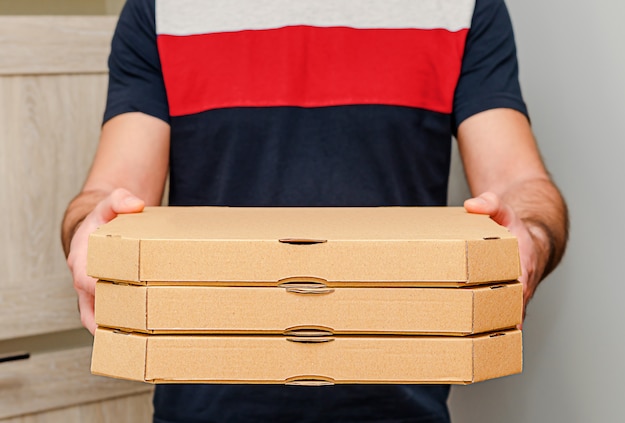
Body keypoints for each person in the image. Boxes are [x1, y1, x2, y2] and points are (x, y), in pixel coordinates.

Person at [61, 0, 568, 422]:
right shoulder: (164, 8)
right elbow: (111, 191)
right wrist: (89, 231)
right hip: (202, 394)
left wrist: (530, 243)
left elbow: (519, 185)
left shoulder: (459, 7)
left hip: (399, 400)